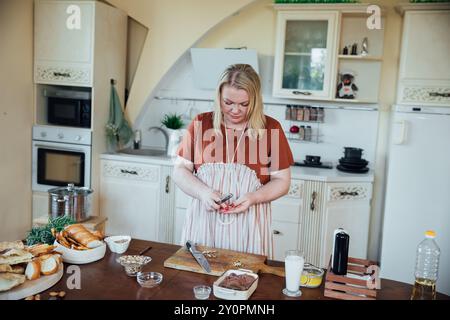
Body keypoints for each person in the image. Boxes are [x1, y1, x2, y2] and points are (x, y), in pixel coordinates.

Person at [172, 64, 294, 258]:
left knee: (245, 281)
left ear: (255, 100)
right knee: (197, 282)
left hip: (250, 227)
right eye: (228, 102)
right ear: (219, 97)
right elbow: (180, 171)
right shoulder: (201, 123)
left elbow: (282, 181)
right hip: (204, 223)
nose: (235, 110)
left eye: (244, 104)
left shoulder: (270, 128)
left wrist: (253, 197)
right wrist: (204, 193)